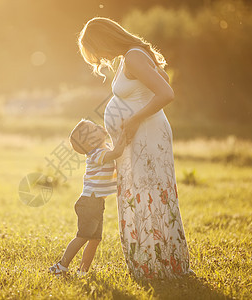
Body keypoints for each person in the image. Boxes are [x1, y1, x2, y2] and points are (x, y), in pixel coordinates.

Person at [78, 17, 193, 279]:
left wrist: (132, 119)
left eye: (97, 51)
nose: (101, 59)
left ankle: (161, 265)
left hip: (148, 136)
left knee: (149, 194)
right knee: (140, 194)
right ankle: (151, 262)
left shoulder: (133, 56)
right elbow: (157, 80)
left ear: (105, 40)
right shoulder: (129, 57)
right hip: (137, 138)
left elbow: (166, 93)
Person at [49, 119, 126, 276]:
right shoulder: (96, 154)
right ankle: (61, 266)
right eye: (94, 129)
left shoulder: (104, 148)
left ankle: (83, 271)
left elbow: (115, 148)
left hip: (96, 203)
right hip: (89, 203)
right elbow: (117, 152)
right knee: (83, 236)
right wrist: (126, 131)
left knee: (95, 240)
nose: (99, 126)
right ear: (91, 142)